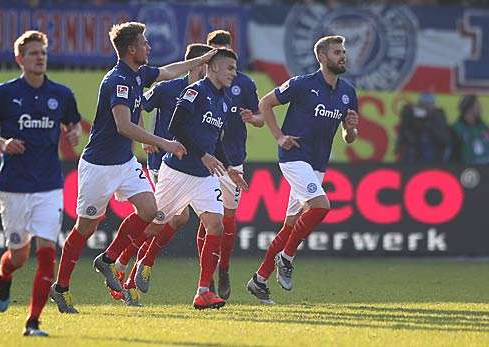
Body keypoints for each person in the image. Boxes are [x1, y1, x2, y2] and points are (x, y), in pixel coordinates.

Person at [49, 21, 217, 313]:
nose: (149, 47)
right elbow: (124, 125)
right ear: (131, 49)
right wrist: (163, 142)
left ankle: (108, 259)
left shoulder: (139, 74)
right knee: (85, 227)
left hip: (125, 163)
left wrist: (200, 60)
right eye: (144, 43)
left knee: (151, 211)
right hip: (98, 166)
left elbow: (167, 71)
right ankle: (61, 287)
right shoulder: (118, 81)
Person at [0, 30, 82, 336]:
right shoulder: (6, 92)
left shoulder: (61, 94)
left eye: (43, 53)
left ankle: (33, 322)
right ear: (20, 59)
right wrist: (1, 142)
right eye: (33, 53)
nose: (39, 58)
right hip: (14, 185)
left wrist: (73, 134)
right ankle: (4, 273)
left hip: (49, 184)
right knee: (19, 256)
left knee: (48, 253)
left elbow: (72, 125)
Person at [246, 35, 358, 305]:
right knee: (320, 206)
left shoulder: (348, 92)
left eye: (343, 51)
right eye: (336, 52)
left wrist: (351, 128)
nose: (343, 56)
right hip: (294, 157)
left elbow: (349, 137)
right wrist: (279, 136)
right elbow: (265, 103)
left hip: (318, 163)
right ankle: (286, 257)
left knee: (292, 224)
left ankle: (259, 280)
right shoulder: (302, 84)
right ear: (322, 57)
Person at [134, 48, 248, 310]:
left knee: (215, 225)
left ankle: (203, 291)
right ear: (211, 67)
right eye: (230, 68)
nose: (234, 73)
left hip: (202, 175)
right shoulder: (192, 91)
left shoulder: (223, 100)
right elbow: (175, 126)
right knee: (154, 224)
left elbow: (214, 141)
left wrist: (228, 167)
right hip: (176, 170)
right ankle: (122, 262)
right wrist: (144, 137)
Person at [110, 43, 214, 306]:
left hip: (192, 167)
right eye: (206, 64)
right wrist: (146, 137)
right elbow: (137, 105)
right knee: (176, 217)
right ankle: (127, 266)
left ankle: (137, 263)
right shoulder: (168, 88)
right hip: (163, 162)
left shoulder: (209, 94)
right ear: (197, 65)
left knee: (176, 220)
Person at [194, 29, 264, 300]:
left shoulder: (242, 83)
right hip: (204, 159)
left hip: (232, 159)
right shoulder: (198, 85)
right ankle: (207, 276)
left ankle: (223, 267)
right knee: (208, 218)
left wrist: (252, 117)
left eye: (224, 50)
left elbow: (260, 118)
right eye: (214, 50)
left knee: (228, 217)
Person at [396, 93, 451, 163]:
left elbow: (445, 140)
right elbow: (404, 136)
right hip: (413, 160)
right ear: (418, 106)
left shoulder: (438, 118)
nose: (426, 107)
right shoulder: (411, 116)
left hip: (433, 160)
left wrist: (430, 123)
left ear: (433, 106)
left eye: (429, 104)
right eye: (423, 105)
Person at [451, 94, 489, 164]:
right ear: (469, 109)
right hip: (467, 169)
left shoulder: (483, 126)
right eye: (477, 106)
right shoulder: (456, 129)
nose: (480, 109)